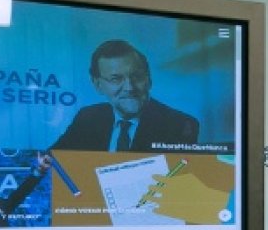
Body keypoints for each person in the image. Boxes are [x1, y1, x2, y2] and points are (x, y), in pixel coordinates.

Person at [52, 39, 199, 152]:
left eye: (137, 76)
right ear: (98, 85)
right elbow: (52, 160)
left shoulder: (179, 124)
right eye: (116, 79)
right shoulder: (87, 117)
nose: (129, 87)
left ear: (149, 79)